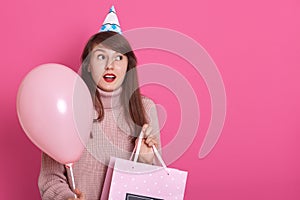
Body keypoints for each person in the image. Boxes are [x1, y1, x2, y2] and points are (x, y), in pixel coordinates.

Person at [38, 31, 161, 200]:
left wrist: (145, 161)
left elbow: (152, 186)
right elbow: (50, 178)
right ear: (88, 65)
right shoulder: (67, 108)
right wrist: (66, 198)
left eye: (118, 58)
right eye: (101, 57)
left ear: (128, 65)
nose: (110, 65)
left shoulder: (145, 108)